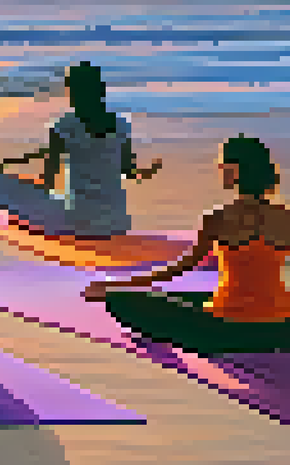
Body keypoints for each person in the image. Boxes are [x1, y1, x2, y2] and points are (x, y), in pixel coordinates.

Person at [82, 135, 290, 355]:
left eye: (223, 166)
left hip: (225, 324)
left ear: (235, 171)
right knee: (189, 295)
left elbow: (180, 268)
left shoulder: (218, 218)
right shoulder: (285, 218)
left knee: (124, 302)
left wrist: (118, 287)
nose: (220, 170)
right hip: (277, 324)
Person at [0, 61, 163, 238]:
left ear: (75, 94)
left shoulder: (63, 127)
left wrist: (15, 181)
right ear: (101, 91)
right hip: (117, 222)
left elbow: (48, 182)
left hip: (79, 223)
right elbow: (129, 172)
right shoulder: (121, 125)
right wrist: (148, 171)